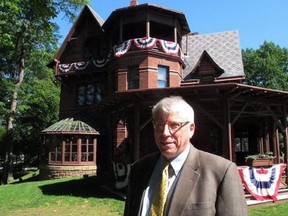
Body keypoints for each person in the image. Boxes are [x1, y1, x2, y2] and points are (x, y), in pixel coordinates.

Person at [124, 96, 248, 216]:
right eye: (159, 125)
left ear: (191, 129)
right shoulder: (139, 169)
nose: (165, 133)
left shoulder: (221, 172)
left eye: (174, 125)